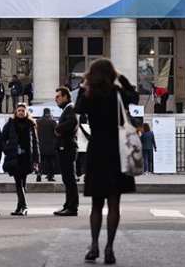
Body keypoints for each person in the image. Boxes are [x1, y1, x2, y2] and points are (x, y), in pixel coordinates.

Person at [75, 58, 136, 265]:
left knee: (96, 204)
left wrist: (85, 84)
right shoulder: (117, 94)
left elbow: (77, 108)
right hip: (117, 150)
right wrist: (121, 78)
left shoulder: (89, 94)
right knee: (114, 202)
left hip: (97, 150)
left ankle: (94, 245)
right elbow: (134, 95)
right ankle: (109, 247)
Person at [1, 103, 40, 216]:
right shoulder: (10, 124)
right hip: (15, 157)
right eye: (19, 110)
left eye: (23, 110)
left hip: (26, 157)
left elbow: (35, 142)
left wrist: (36, 159)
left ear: (26, 112)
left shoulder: (30, 124)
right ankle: (23, 206)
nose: (21, 112)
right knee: (19, 182)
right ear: (16, 112)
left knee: (23, 182)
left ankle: (21, 206)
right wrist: (9, 149)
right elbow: (2, 140)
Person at [54, 86, 79, 216]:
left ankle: (72, 207)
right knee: (67, 178)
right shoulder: (68, 108)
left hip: (68, 147)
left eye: (58, 96)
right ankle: (68, 204)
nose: (56, 99)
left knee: (69, 179)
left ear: (65, 96)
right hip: (66, 147)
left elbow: (73, 121)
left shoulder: (70, 108)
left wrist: (58, 128)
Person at [36, 107, 57, 182]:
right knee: (51, 162)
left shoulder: (38, 121)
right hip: (51, 145)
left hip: (40, 145)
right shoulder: (53, 121)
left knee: (41, 161)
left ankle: (39, 173)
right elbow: (56, 133)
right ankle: (50, 176)